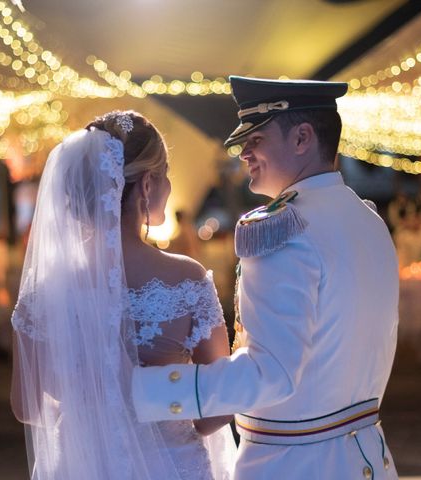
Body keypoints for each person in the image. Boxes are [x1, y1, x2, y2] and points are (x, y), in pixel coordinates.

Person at [132, 76, 400, 479]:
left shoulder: (283, 229)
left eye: (255, 140)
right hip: (366, 459)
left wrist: (139, 391)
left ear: (302, 138)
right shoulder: (368, 220)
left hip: (293, 464)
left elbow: (269, 374)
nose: (244, 154)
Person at [10, 111, 236, 479]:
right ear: (147, 184)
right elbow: (216, 412)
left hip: (80, 465)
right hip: (172, 465)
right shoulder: (185, 278)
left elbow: (26, 406)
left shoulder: (43, 291)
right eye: (165, 175)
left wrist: (91, 409)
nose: (167, 186)